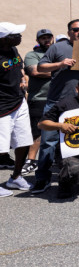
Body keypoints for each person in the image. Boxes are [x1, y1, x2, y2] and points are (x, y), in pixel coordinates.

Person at [32, 19, 79, 193]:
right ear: (69, 32)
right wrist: (60, 64)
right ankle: (42, 177)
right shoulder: (58, 47)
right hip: (57, 102)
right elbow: (41, 67)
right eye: (76, 29)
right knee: (48, 142)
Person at [0, 23, 33, 196]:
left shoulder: (12, 50)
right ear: (4, 38)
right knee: (1, 148)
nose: (20, 36)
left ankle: (16, 177)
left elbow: (18, 67)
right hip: (2, 108)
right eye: (16, 34)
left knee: (23, 141)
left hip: (19, 102)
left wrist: (23, 78)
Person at [20, 29, 54, 176]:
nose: (46, 40)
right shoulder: (32, 55)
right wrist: (61, 69)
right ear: (38, 40)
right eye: (43, 38)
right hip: (39, 99)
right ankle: (31, 161)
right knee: (37, 132)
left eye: (48, 37)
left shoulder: (57, 53)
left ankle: (57, 159)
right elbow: (35, 71)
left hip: (58, 98)